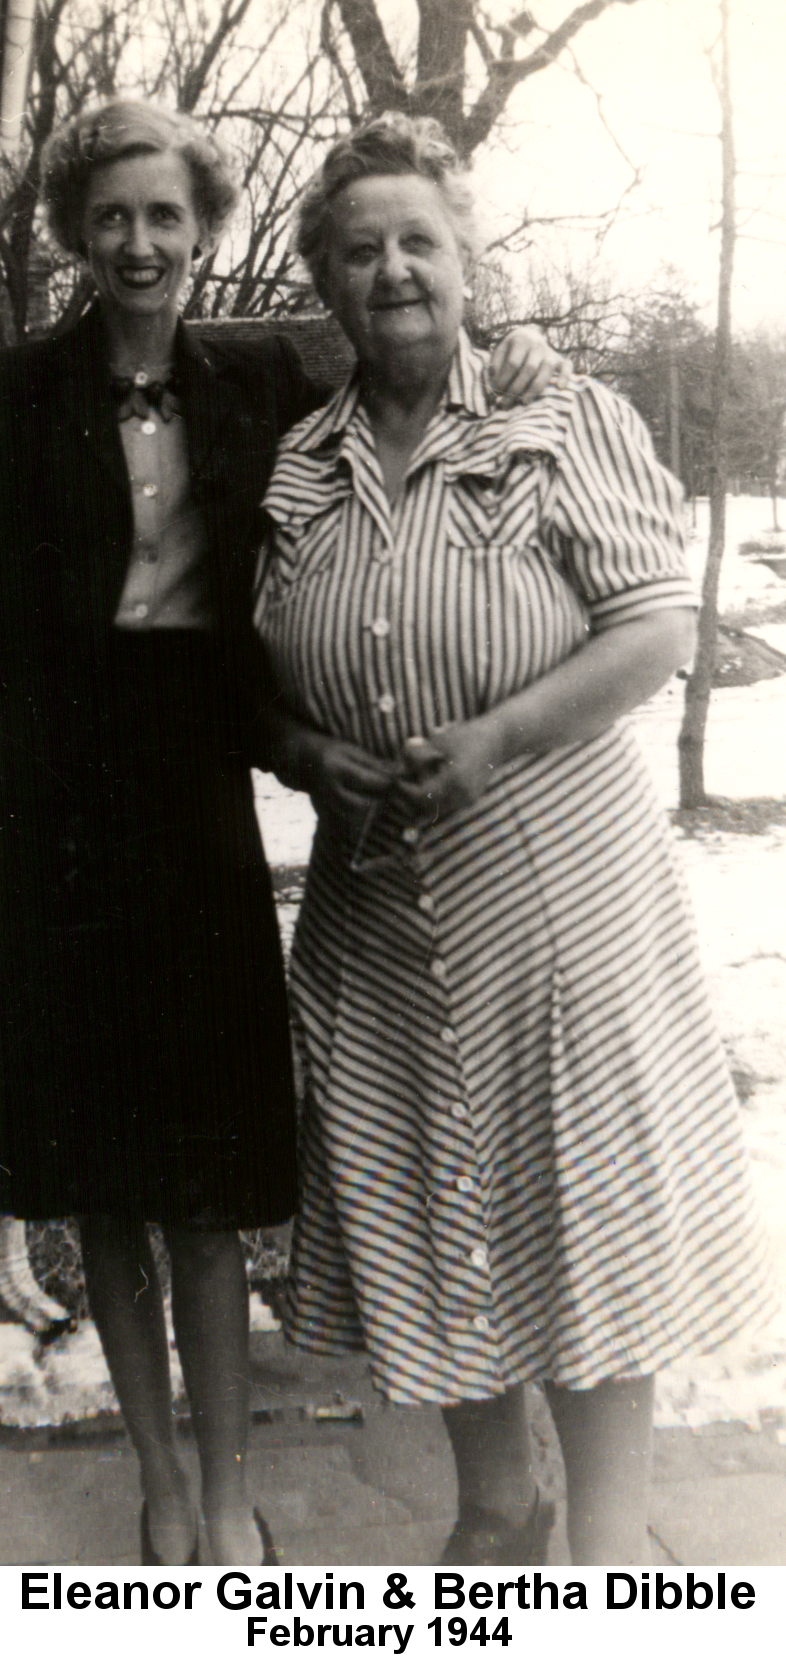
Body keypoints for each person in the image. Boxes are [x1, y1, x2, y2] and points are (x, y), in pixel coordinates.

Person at [0, 98, 561, 1566]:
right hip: (52, 820)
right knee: (105, 1177)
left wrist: (524, 353)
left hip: (196, 806)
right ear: (77, 232)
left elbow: (422, 364)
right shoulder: (10, 397)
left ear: (205, 231)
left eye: (167, 215)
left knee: (202, 1177)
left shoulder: (260, 384)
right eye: (112, 215)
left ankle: (233, 1483)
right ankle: (162, 1490)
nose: (140, 243)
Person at [255, 111, 776, 1567]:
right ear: (326, 282)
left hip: (557, 908)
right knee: (415, 1200)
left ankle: (604, 1548)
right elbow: (246, 679)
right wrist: (305, 751)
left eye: (418, 239)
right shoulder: (298, 463)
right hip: (376, 919)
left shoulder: (563, 416)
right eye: (357, 251)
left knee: (576, 1197)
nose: (392, 270)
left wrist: (491, 739)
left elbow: (656, 629)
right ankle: (497, 1506)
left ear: (467, 261)